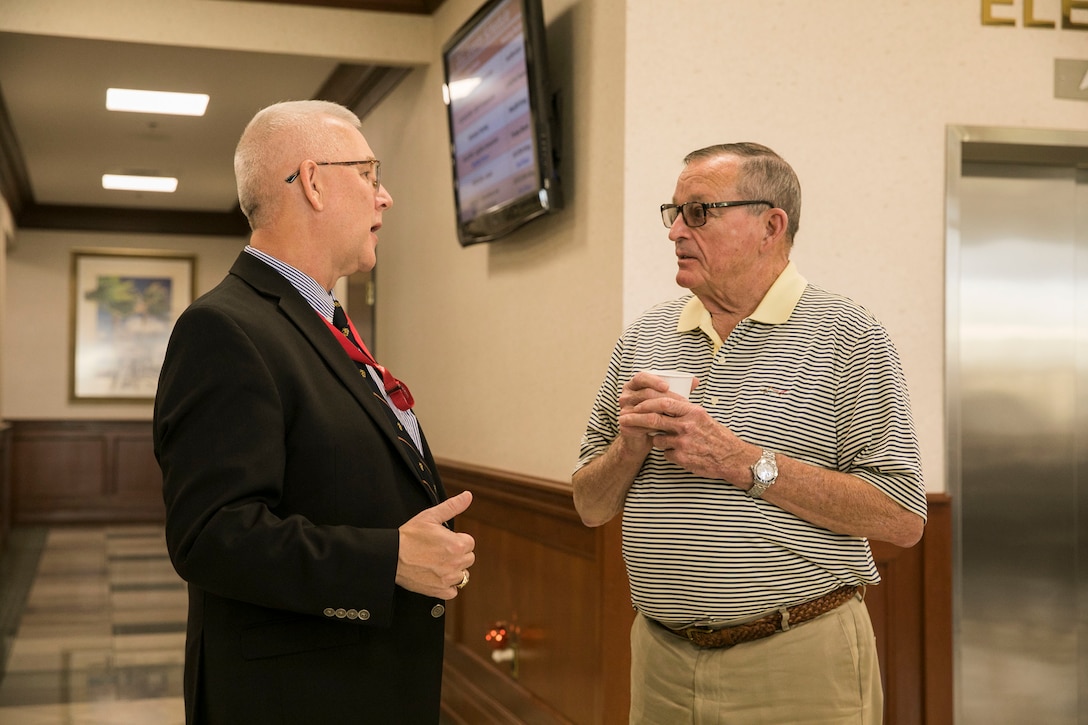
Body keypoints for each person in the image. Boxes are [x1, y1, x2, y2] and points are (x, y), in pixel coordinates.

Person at [572, 143, 926, 723]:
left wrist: (744, 463)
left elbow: (901, 518)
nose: (676, 232)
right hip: (661, 656)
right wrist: (628, 447)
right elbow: (590, 505)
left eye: (699, 212)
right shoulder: (644, 337)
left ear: (770, 225)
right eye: (675, 213)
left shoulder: (848, 336)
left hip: (797, 658)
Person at [153, 100, 475, 724]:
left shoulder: (320, 320)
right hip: (295, 695)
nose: (386, 198)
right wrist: (388, 560)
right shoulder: (224, 327)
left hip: (359, 678)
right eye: (369, 174)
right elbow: (210, 535)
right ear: (315, 182)